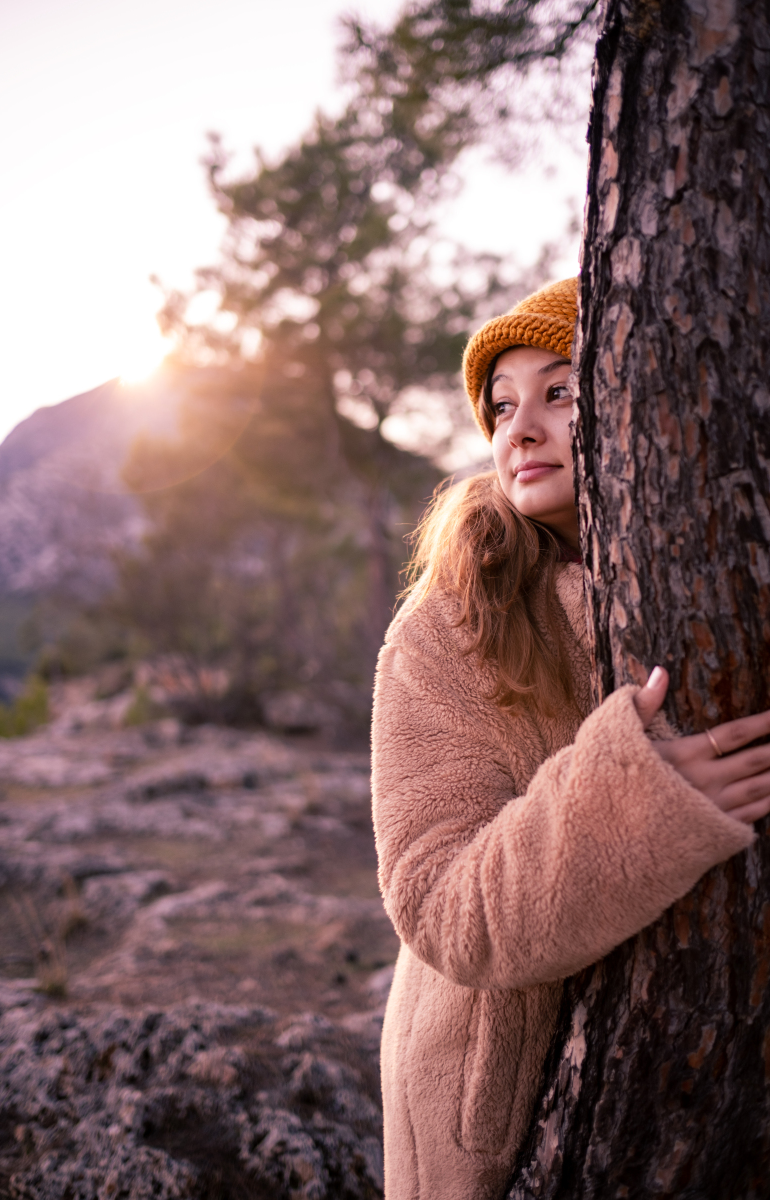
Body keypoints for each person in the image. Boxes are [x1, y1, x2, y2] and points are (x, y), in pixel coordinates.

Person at [370, 277, 770, 1200]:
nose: (519, 427)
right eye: (503, 407)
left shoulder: (721, 565)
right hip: (493, 1119)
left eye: (561, 392)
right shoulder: (447, 626)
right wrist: (625, 802)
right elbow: (436, 905)